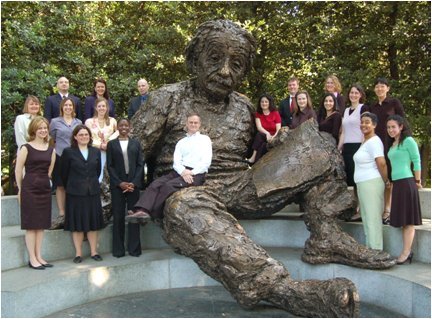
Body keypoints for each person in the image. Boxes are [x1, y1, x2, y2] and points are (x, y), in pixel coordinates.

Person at [130, 20, 394, 317]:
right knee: (181, 207)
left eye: (237, 64)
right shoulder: (167, 99)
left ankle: (326, 235)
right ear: (194, 59)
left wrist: (278, 143)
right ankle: (283, 290)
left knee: (317, 144)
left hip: (241, 185)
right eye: (215, 59)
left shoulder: (242, 106)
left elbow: (253, 151)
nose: (226, 71)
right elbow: (130, 153)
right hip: (188, 188)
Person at [127, 113, 211, 221]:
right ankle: (142, 210)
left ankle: (152, 214)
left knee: (168, 186)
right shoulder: (181, 142)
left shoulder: (205, 140)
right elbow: (176, 162)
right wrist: (183, 172)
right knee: (156, 183)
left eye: (195, 122)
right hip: (180, 171)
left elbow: (206, 162)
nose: (193, 124)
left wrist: (191, 173)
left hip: (196, 174)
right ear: (186, 123)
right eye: (191, 122)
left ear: (199, 124)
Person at [15, 116, 56, 269]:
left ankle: (39, 255)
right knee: (31, 225)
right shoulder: (26, 147)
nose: (43, 130)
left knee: (41, 225)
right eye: (40, 128)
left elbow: (49, 171)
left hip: (44, 189)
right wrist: (20, 189)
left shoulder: (50, 149)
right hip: (29, 189)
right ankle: (32, 258)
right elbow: (18, 170)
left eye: (45, 128)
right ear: (34, 130)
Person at [61, 125, 104, 263]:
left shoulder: (95, 151)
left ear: (90, 137)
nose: (84, 137)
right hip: (75, 193)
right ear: (75, 137)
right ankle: (78, 254)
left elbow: (97, 171)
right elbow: (64, 173)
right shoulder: (68, 152)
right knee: (77, 224)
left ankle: (94, 252)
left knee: (93, 223)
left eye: (86, 134)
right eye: (80, 135)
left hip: (92, 192)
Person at [386, 115, 422, 264]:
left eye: (393, 127)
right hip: (397, 184)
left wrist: (418, 180)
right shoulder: (393, 144)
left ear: (401, 127)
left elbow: (416, 160)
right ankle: (406, 251)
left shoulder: (408, 141)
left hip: (407, 183)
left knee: (408, 221)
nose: (390, 130)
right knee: (402, 220)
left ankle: (406, 252)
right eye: (388, 127)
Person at [369, 77, 405, 224]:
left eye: (382, 86)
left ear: (388, 88)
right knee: (381, 178)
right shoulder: (372, 107)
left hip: (392, 144)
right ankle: (380, 208)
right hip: (377, 145)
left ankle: (389, 210)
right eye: (377, 86)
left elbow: (402, 122)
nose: (379, 89)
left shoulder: (394, 103)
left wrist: (402, 141)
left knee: (392, 177)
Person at [107, 118, 144, 257]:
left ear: (130, 127)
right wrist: (119, 183)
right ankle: (118, 250)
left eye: (126, 125)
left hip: (133, 185)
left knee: (134, 216)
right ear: (117, 127)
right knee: (118, 217)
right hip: (118, 185)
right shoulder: (112, 144)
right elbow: (109, 166)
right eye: (121, 125)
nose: (123, 127)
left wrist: (134, 182)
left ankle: (134, 249)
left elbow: (141, 164)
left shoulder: (136, 143)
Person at [353, 112, 390, 250]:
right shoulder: (365, 141)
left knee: (373, 218)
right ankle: (370, 248)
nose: (364, 125)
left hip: (371, 183)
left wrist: (386, 181)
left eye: (367, 122)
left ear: (374, 124)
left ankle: (376, 250)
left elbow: (381, 163)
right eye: (362, 122)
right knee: (367, 218)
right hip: (363, 184)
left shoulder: (375, 141)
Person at [338, 84, 370, 221]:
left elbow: (365, 128)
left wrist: (363, 146)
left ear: (361, 95)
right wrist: (339, 148)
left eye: (356, 93)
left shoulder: (363, 108)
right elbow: (344, 132)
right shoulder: (345, 111)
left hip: (359, 146)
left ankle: (363, 211)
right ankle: (356, 209)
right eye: (351, 92)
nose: (353, 95)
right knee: (353, 180)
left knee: (360, 180)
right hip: (347, 148)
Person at [49, 98, 82, 218]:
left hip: (75, 157)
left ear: (73, 107)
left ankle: (72, 210)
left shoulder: (78, 122)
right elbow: (51, 138)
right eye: (66, 105)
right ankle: (62, 212)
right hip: (59, 156)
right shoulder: (54, 121)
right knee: (60, 185)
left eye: (70, 105)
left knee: (73, 183)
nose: (68, 107)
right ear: (62, 107)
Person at [85, 97, 118, 183]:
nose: (101, 108)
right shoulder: (89, 122)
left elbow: (118, 133)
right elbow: (87, 138)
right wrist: (99, 145)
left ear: (107, 108)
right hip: (94, 152)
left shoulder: (113, 121)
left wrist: (108, 143)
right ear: (96, 107)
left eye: (103, 106)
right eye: (99, 106)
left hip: (109, 151)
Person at [245, 94, 281, 164]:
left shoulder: (275, 113)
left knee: (262, 146)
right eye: (262, 102)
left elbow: (278, 129)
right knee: (259, 135)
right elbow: (259, 127)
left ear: (269, 103)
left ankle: (254, 160)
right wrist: (267, 133)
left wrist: (273, 137)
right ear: (260, 103)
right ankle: (253, 157)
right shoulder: (258, 114)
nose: (264, 103)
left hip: (274, 135)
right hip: (263, 134)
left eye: (266, 102)